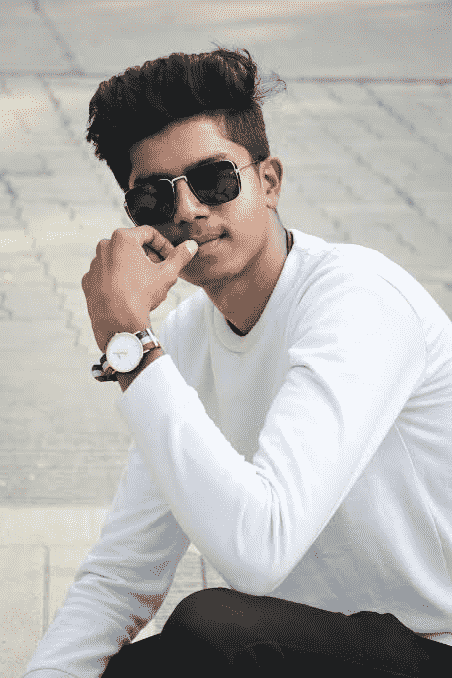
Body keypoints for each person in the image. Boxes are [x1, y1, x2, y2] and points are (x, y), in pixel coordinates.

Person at [23, 46, 452, 678]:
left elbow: (260, 549)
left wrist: (131, 347)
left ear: (269, 182)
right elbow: (120, 575)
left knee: (213, 627)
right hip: (309, 648)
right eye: (154, 197)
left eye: (214, 180)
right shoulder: (185, 342)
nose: (188, 210)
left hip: (432, 645)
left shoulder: (359, 301)